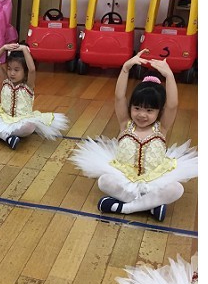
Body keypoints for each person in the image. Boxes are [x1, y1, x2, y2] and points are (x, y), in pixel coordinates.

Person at [68, 50, 198, 221]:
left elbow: (172, 104)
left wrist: (169, 75)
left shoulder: (161, 128)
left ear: (159, 111)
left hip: (154, 180)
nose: (142, 115)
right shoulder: (125, 124)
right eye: (137, 108)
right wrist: (125, 69)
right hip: (124, 178)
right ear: (130, 107)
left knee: (176, 189)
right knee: (104, 181)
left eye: (149, 110)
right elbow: (119, 97)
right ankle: (150, 205)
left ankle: (125, 208)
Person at [0, 42, 69, 149]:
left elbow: (32, 69)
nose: (12, 73)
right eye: (9, 69)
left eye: (16, 70)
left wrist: (24, 49)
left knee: (29, 128)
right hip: (4, 117)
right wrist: (3, 48)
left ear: (25, 71)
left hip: (21, 120)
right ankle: (8, 138)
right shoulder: (6, 80)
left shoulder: (28, 86)